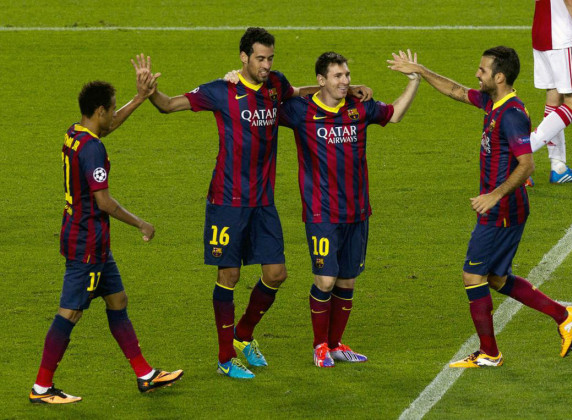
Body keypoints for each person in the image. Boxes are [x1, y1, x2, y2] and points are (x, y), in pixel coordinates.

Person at [135, 27, 372, 379]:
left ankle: (243, 335)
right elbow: (170, 106)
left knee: (276, 274)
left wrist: (348, 89)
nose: (266, 64)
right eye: (260, 58)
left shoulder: (276, 85)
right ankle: (225, 358)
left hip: (263, 202)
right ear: (243, 58)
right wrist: (149, 93)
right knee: (229, 275)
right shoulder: (221, 90)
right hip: (227, 201)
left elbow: (304, 94)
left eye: (270, 58)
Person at [388, 46, 572, 367]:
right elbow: (456, 91)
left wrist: (494, 195)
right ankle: (564, 315)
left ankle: (490, 353)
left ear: (500, 76)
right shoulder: (494, 101)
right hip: (502, 208)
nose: (477, 74)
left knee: (472, 276)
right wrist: (420, 71)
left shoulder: (512, 115)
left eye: (483, 70)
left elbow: (527, 165)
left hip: (502, 210)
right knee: (494, 277)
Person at [30, 77, 183, 404]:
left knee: (118, 300)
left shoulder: (75, 133)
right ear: (99, 111)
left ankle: (145, 375)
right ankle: (42, 387)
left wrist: (140, 99)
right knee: (69, 313)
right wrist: (141, 223)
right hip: (87, 243)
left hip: (88, 239)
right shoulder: (94, 148)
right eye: (112, 110)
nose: (114, 115)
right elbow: (104, 202)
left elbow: (107, 129)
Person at [279, 51, 420, 367]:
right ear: (321, 80)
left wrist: (414, 80)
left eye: (346, 75)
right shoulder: (300, 111)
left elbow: (394, 114)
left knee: (347, 281)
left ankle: (335, 343)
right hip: (321, 212)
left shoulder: (359, 108)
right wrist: (233, 78)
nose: (345, 81)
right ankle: (319, 347)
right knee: (325, 281)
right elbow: (265, 100)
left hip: (357, 212)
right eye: (338, 76)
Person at [528, 0, 572, 184]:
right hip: (562, 36)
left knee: (554, 99)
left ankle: (558, 167)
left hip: (541, 33)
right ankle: (517, 155)